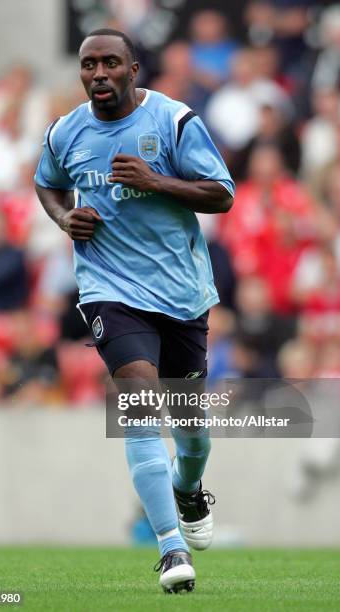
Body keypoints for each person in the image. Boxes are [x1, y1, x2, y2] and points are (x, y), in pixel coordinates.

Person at [34, 28, 234, 594]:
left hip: (181, 294)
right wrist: (62, 218)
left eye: (110, 63)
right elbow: (46, 184)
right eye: (89, 64)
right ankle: (170, 549)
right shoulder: (64, 132)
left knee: (192, 432)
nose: (99, 74)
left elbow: (223, 192)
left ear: (133, 69)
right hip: (109, 290)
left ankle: (188, 488)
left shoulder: (172, 122)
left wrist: (156, 181)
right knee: (139, 398)